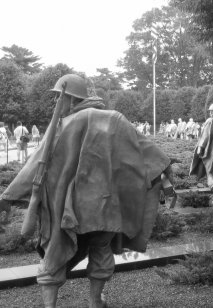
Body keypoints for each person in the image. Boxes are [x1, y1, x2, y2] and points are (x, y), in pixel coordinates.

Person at [0, 74, 172, 308]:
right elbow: (148, 153)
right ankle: (94, 302)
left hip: (68, 208)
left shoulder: (62, 125)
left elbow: (35, 165)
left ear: (69, 98)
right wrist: (167, 180)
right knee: (101, 251)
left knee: (54, 255)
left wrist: (8, 196)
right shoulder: (116, 119)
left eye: (57, 98)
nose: (55, 104)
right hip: (105, 207)